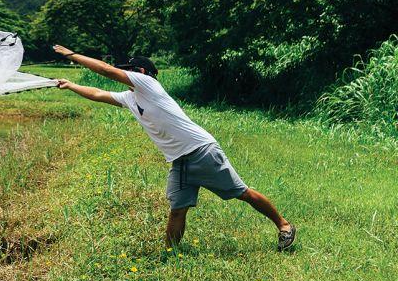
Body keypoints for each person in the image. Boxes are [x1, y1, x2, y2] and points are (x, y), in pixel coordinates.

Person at [53, 45, 296, 251]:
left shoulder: (147, 84)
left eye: (128, 72)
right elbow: (97, 93)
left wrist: (72, 55)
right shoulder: (130, 98)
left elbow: (106, 71)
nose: (124, 76)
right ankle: (172, 254)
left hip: (201, 151)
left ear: (140, 72)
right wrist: (71, 85)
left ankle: (284, 225)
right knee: (177, 209)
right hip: (179, 162)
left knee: (241, 192)